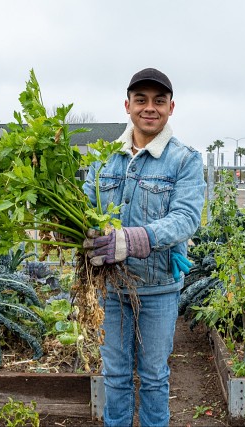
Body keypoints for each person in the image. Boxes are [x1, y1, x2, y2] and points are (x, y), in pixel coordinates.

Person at [82, 68, 206, 427]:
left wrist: (132, 239)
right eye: (141, 100)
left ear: (171, 108)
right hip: (111, 287)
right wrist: (80, 234)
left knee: (153, 378)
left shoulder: (184, 159)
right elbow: (86, 205)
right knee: (116, 377)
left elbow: (185, 218)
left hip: (158, 289)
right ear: (127, 105)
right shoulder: (104, 157)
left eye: (158, 101)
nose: (149, 108)